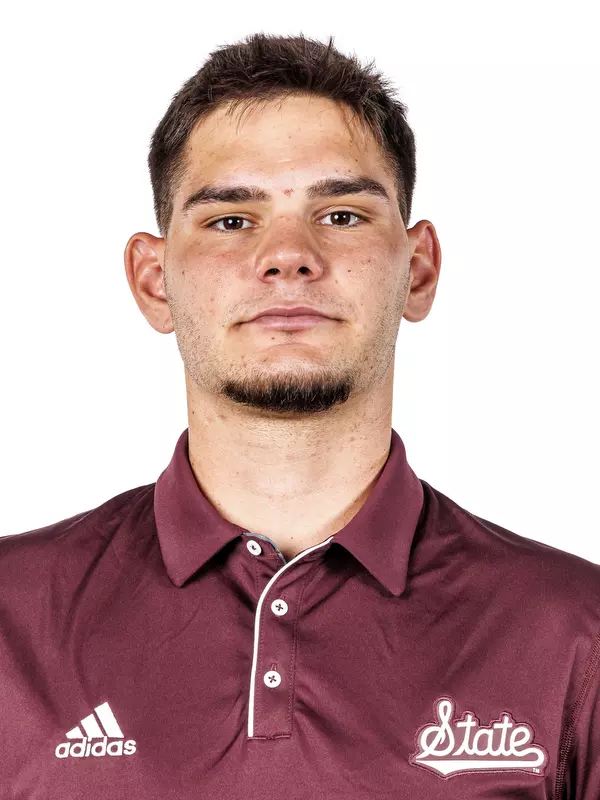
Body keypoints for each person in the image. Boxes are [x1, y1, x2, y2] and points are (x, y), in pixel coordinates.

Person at [0, 31, 598, 800]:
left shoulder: (575, 635)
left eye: (343, 215)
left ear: (417, 271)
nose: (288, 255)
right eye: (231, 220)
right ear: (153, 282)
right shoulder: (11, 623)